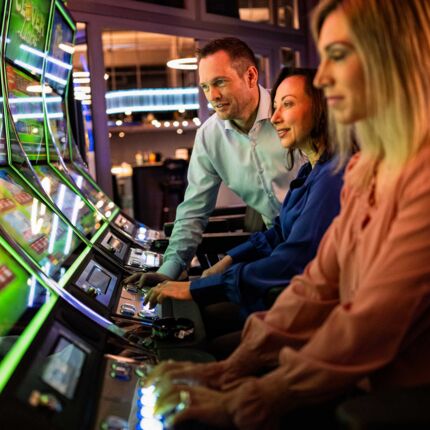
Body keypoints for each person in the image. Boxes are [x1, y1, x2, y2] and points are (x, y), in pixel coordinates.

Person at [145, 0, 430, 428]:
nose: (324, 78)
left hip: (388, 396)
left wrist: (258, 394)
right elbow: (318, 283)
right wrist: (231, 368)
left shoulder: (413, 178)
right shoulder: (364, 168)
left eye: (337, 56)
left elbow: (369, 322)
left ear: (392, 56)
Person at [144, 68, 345, 331]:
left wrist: (198, 288)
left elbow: (293, 258)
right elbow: (279, 234)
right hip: (284, 278)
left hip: (314, 304)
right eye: (205, 87)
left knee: (203, 331)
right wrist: (226, 261)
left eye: (287, 104)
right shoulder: (311, 170)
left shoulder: (332, 178)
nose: (275, 118)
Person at [124, 37, 303, 288]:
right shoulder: (209, 135)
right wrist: (170, 269)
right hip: (277, 243)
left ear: (251, 76)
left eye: (220, 82)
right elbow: (194, 209)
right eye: (205, 87)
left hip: (318, 238)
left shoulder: (290, 115)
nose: (212, 96)